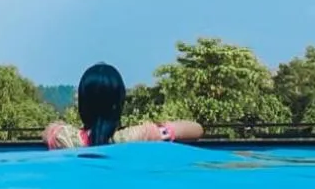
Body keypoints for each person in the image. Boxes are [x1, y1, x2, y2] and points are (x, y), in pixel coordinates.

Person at [42, 63, 203, 150]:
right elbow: (196, 129)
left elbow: (50, 131)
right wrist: (160, 128)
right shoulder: (136, 137)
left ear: (83, 104)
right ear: (119, 104)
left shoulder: (63, 138)